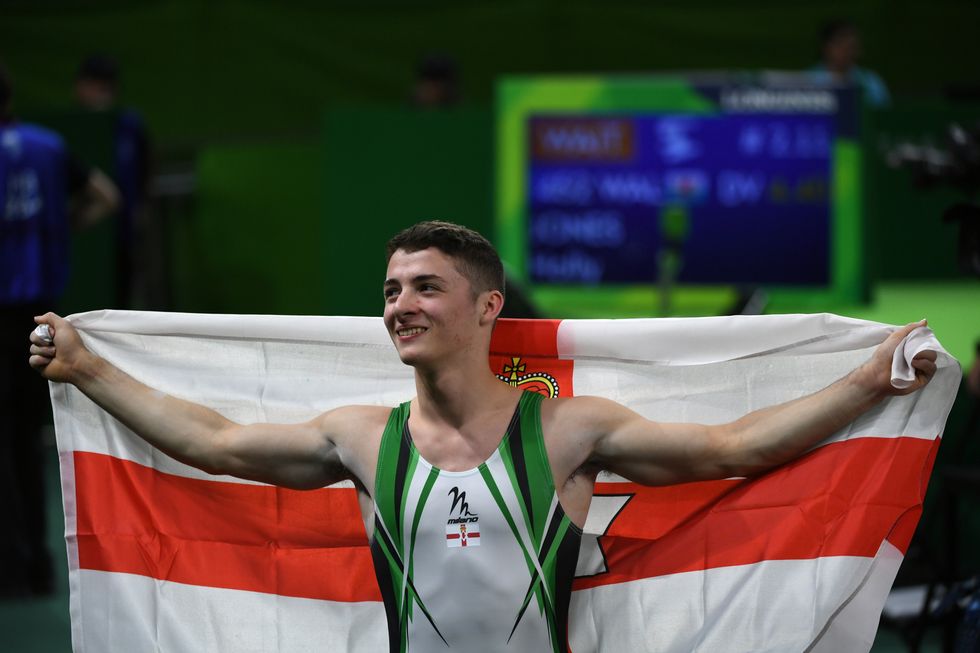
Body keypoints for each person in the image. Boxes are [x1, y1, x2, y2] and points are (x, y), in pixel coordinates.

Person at [29, 221, 935, 650]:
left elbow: (736, 448)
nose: (400, 305)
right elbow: (217, 443)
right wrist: (87, 369)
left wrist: (866, 378)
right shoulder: (357, 436)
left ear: (487, 307)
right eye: (390, 291)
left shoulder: (568, 430)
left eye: (425, 287)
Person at [1, 61, 119, 597]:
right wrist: (60, 230)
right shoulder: (48, 147)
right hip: (39, 320)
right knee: (30, 444)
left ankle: (11, 567)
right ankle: (41, 566)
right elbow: (105, 195)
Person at [74, 53, 151, 308]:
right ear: (81, 86)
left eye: (108, 83)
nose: (103, 90)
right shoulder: (72, 129)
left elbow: (144, 172)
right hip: (83, 237)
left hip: (123, 233)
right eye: (96, 82)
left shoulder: (129, 125)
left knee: (121, 304)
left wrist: (139, 213)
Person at [810, 19, 891, 108]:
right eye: (840, 44)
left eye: (851, 46)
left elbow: (883, 114)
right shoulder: (807, 81)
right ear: (825, 47)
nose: (846, 51)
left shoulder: (870, 81)